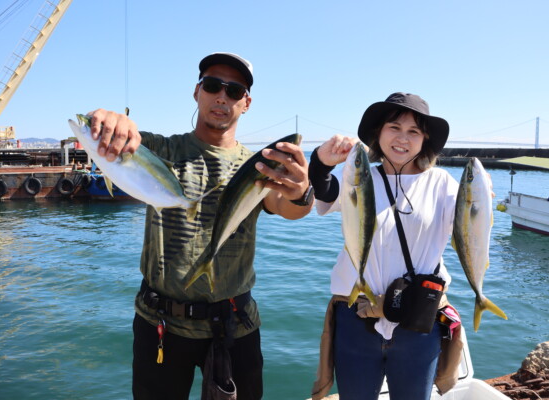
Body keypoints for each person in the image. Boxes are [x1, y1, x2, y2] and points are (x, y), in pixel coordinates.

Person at [88, 52, 314, 400]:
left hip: (234, 327)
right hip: (158, 322)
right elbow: (119, 141)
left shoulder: (257, 166)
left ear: (246, 103)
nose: (222, 96)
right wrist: (105, 120)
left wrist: (302, 191)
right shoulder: (162, 149)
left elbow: (286, 206)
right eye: (212, 85)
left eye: (235, 91)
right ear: (197, 92)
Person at [309, 92, 461, 400]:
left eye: (413, 131)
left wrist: (480, 205)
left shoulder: (443, 183)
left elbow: (467, 228)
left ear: (424, 139)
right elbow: (325, 193)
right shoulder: (359, 175)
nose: (402, 138)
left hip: (416, 320)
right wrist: (321, 163)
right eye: (394, 127)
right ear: (379, 133)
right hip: (356, 316)